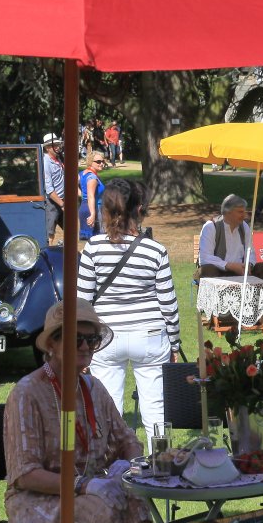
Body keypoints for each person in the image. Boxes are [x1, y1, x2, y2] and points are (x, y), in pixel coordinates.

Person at [3, 299, 162, 523]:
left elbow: (127, 438)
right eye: (77, 339)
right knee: (96, 510)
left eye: (92, 340)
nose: (87, 347)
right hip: (38, 498)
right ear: (53, 343)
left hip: (90, 489)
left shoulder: (93, 387)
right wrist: (82, 486)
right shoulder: (27, 393)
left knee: (132, 495)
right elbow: (24, 474)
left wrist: (125, 463)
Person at [78, 179, 181, 443]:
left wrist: (81, 344)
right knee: (156, 408)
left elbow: (83, 303)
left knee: (108, 408)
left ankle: (112, 463)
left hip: (106, 337)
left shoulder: (93, 248)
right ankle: (160, 461)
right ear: (139, 209)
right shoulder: (155, 250)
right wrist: (175, 343)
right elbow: (168, 303)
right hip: (150, 334)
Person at [197, 194, 263, 282]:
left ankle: (257, 292)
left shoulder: (244, 227)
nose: (244, 215)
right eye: (240, 212)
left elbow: (250, 252)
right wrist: (229, 266)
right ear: (228, 212)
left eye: (244, 212)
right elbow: (205, 257)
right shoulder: (211, 227)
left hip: (241, 271)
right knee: (207, 270)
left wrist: (248, 265)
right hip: (219, 271)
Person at [42, 133, 65, 246]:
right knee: (50, 233)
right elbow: (49, 189)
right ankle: (48, 251)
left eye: (57, 144)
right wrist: (62, 204)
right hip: (53, 202)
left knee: (70, 227)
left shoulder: (58, 159)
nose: (57, 147)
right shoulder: (45, 162)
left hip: (62, 200)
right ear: (47, 148)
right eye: (54, 145)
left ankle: (66, 249)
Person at [78, 150, 108, 239]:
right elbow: (91, 196)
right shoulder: (92, 178)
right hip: (93, 209)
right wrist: (93, 214)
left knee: (90, 240)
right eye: (98, 162)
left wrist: (83, 195)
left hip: (84, 207)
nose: (101, 164)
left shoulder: (82, 173)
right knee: (98, 239)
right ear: (90, 162)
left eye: (103, 161)